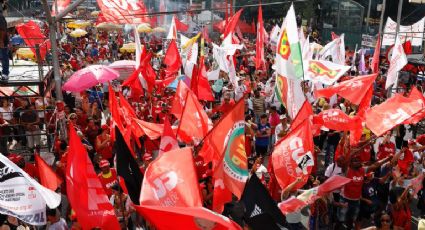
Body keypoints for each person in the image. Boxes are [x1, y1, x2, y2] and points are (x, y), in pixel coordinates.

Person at [0, 3, 9, 81]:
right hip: (2, 41)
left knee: (4, 58)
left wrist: (1, 41)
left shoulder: (1, 17)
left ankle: (5, 73)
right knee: (4, 57)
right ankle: (4, 73)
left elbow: (2, 30)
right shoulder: (1, 17)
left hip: (2, 41)